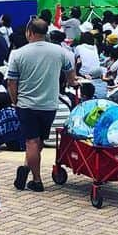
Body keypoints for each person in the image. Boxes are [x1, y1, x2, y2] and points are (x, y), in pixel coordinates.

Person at [8, 17, 76, 193]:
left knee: (31, 141)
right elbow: (71, 75)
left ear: (29, 32)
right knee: (38, 141)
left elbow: (11, 83)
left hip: (27, 104)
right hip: (49, 105)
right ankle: (25, 166)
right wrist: (73, 82)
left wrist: (15, 101)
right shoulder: (59, 52)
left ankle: (37, 180)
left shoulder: (18, 53)